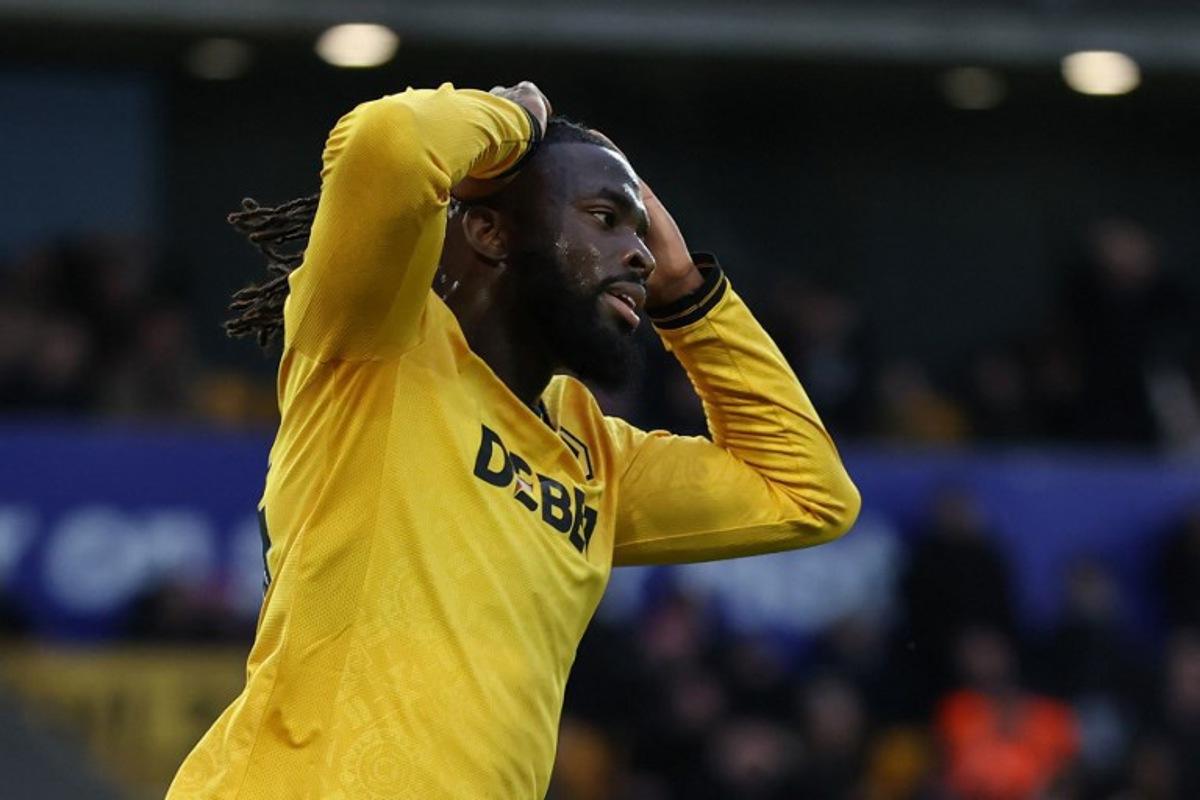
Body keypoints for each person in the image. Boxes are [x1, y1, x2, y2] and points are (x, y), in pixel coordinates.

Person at [167, 81, 860, 798]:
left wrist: (689, 294)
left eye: (641, 230)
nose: (641, 255)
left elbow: (807, 493)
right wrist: (516, 122)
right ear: (490, 231)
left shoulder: (595, 453)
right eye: (604, 217)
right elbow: (391, 144)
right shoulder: (381, 340)